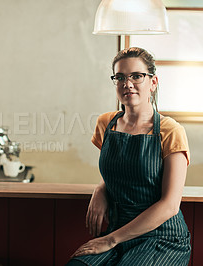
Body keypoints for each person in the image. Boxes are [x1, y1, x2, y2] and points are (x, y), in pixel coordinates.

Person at [67, 47, 191, 265]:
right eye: (120, 77)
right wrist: (101, 187)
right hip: (117, 231)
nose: (128, 83)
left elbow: (170, 204)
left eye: (137, 76)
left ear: (153, 83)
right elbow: (122, 169)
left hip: (162, 238)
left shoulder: (171, 131)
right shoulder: (106, 123)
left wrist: (110, 240)